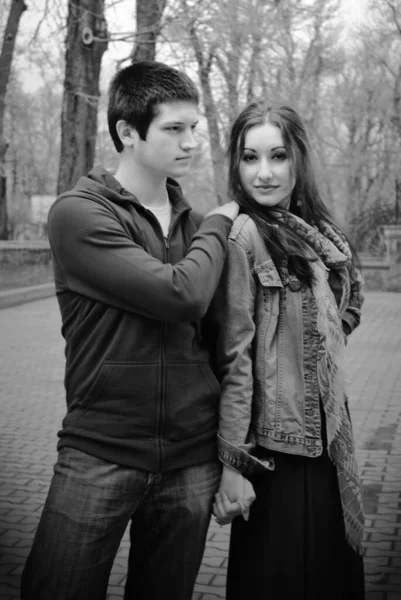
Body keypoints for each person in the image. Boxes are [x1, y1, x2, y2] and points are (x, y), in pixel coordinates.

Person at [21, 61, 240, 600]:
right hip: (100, 452)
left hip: (191, 461)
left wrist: (232, 453)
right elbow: (179, 294)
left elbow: (224, 340)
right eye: (174, 129)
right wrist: (220, 222)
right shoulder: (79, 214)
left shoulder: (192, 224)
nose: (191, 142)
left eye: (195, 128)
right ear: (126, 132)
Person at [210, 101, 365, 599]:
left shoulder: (317, 232)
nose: (264, 172)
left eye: (277, 156)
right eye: (250, 158)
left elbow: (351, 294)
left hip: (328, 438)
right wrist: (233, 465)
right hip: (277, 450)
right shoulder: (244, 236)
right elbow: (235, 358)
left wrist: (321, 335)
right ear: (236, 164)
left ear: (297, 159)